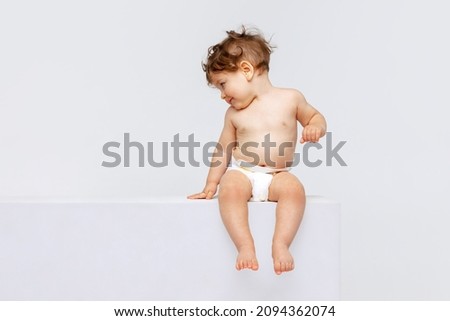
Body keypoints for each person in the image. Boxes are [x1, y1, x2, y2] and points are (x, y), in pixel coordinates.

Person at [188, 26, 327, 275]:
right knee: (229, 188)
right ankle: (245, 245)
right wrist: (211, 184)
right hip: (244, 172)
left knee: (294, 190)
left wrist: (315, 127)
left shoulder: (291, 99)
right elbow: (223, 150)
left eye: (223, 84)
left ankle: (281, 244)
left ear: (246, 70)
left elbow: (315, 117)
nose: (222, 95)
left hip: (277, 175)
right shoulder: (233, 115)